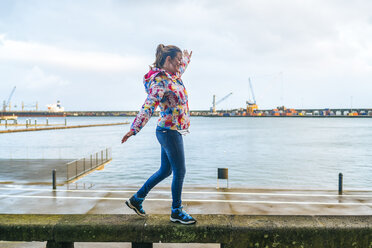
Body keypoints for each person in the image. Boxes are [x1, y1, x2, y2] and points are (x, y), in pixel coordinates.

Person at [121, 44, 196, 225]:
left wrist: (186, 59)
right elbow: (149, 105)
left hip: (169, 130)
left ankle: (137, 199)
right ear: (168, 60)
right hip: (169, 132)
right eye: (177, 60)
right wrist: (134, 128)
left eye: (180, 60)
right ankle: (176, 211)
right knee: (180, 171)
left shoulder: (173, 75)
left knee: (166, 170)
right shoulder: (160, 82)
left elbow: (181, 68)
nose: (180, 63)